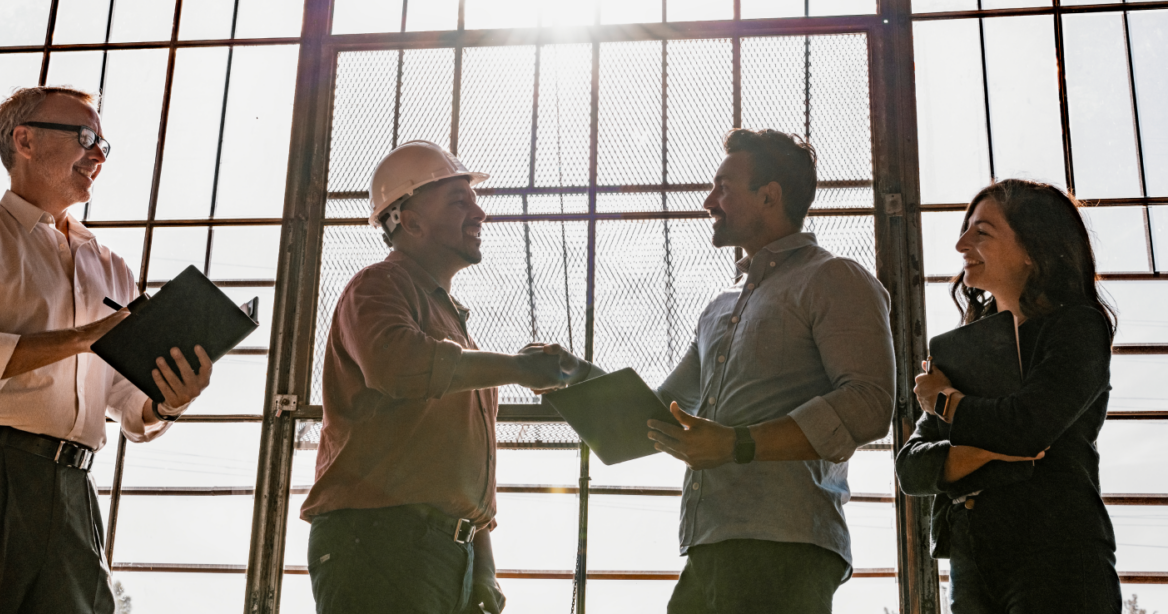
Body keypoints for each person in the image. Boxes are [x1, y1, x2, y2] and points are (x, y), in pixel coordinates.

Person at [573, 129, 896, 612]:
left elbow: (869, 405)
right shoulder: (717, 309)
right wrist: (566, 374)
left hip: (786, 549)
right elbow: (657, 415)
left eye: (723, 187)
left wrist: (737, 444)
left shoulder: (834, 279)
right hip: (709, 546)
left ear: (769, 195)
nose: (708, 201)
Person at [300, 140, 584, 614]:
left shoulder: (452, 324)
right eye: (459, 201)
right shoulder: (378, 287)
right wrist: (516, 368)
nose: (480, 213)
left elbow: (459, 467)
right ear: (409, 221)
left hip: (443, 551)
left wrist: (482, 564)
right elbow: (398, 366)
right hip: (379, 542)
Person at [0, 86, 214, 614]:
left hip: (75, 487)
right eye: (85, 137)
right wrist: (80, 339)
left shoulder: (112, 266)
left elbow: (128, 402)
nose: (99, 153)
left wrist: (168, 397)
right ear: (25, 140)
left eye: (104, 142)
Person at [895, 179, 1121, 613]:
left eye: (981, 232)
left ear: (1033, 248)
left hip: (1058, 554)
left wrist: (944, 402)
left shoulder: (1078, 326)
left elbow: (1026, 427)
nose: (961, 244)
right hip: (971, 559)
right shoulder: (962, 349)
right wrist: (991, 448)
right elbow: (911, 467)